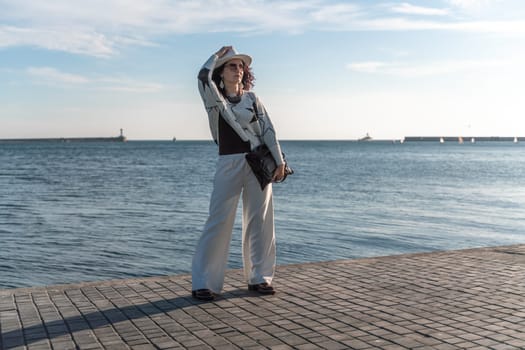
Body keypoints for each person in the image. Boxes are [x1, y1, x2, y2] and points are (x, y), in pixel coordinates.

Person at [192, 46, 286, 301]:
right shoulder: (213, 98)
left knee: (261, 220)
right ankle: (204, 283)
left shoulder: (253, 99)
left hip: (258, 163)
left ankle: (260, 278)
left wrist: (280, 161)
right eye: (231, 66)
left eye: (241, 66)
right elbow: (202, 76)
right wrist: (215, 55)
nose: (238, 70)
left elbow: (269, 130)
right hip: (228, 162)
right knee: (218, 220)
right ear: (221, 73)